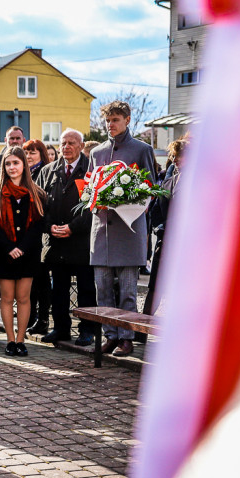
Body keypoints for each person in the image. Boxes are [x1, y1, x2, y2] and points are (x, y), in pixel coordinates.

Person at [88, 100, 157, 357]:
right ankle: (110, 336)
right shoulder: (96, 153)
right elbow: (89, 188)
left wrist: (127, 202)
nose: (110, 125)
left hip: (129, 232)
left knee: (128, 291)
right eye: (108, 120)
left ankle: (127, 339)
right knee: (102, 290)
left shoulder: (141, 149)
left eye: (115, 120)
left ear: (127, 120)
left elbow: (150, 190)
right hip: (102, 231)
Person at [0, 146, 46, 357]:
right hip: (3, 255)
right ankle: (10, 340)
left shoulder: (37, 194)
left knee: (24, 298)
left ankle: (21, 340)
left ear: (24, 165)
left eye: (16, 163)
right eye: (8, 163)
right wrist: (9, 248)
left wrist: (23, 248)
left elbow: (38, 226)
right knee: (7, 297)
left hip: (28, 255)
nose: (12, 167)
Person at [39, 129, 96, 346]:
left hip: (80, 241)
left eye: (72, 143)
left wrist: (73, 227)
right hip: (55, 242)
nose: (66, 147)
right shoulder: (48, 171)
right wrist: (49, 226)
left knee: (86, 290)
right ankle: (61, 328)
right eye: (63, 143)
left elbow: (93, 207)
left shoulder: (90, 170)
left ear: (81, 146)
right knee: (59, 290)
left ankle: (87, 329)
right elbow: (41, 205)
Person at [145, 135, 188, 314]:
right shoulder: (169, 180)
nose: (176, 159)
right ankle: (140, 335)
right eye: (174, 155)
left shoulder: (199, 182)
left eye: (180, 155)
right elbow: (156, 209)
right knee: (155, 287)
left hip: (186, 245)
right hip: (164, 241)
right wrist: (158, 227)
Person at [21, 139, 52, 336]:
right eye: (26, 152)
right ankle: (31, 318)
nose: (29, 156)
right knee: (29, 281)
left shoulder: (45, 172)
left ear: (41, 154)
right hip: (26, 235)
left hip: (41, 234)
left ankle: (42, 319)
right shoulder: (25, 173)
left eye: (33, 152)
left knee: (41, 281)